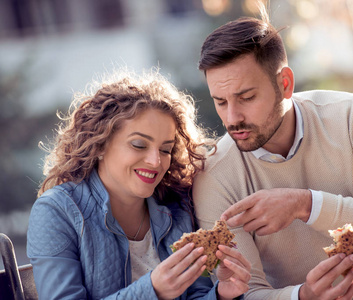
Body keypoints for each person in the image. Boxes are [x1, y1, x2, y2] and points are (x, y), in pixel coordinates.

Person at [192, 3, 353, 300]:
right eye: (220, 102)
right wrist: (302, 296)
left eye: (246, 97)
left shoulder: (352, 115)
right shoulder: (214, 173)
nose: (232, 117)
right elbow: (245, 293)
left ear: (285, 83)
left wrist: (305, 205)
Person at [26, 69, 251, 300]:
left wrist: (223, 295)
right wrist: (152, 290)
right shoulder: (56, 212)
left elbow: (196, 294)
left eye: (165, 149)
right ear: (100, 144)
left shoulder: (177, 205)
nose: (156, 161)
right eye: (139, 145)